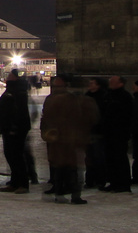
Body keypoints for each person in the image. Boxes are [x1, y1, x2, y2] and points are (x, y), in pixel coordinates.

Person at [40, 75, 100, 204]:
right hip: (75, 139)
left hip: (60, 139)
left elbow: (46, 119)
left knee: (61, 167)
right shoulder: (86, 101)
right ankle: (74, 194)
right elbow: (93, 119)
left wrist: (47, 133)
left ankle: (60, 192)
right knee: (74, 168)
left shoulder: (54, 100)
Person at [0, 75, 35, 193]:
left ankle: (23, 183)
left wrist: (14, 126)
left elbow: (18, 111)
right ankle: (15, 182)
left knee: (16, 156)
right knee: (10, 155)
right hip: (8, 128)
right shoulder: (12, 91)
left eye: (10, 77)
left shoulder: (18, 92)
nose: (7, 79)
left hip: (15, 129)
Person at [98, 75, 134, 192]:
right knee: (110, 158)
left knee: (120, 158)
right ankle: (114, 182)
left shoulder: (125, 96)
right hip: (108, 131)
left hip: (119, 132)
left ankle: (123, 183)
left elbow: (126, 115)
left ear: (120, 84)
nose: (110, 82)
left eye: (113, 81)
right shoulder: (108, 95)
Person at [82, 76, 108, 189]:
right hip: (87, 130)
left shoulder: (103, 97)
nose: (90, 85)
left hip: (98, 131)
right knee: (89, 157)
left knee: (98, 156)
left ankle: (100, 180)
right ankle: (90, 180)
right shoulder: (87, 96)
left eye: (92, 83)